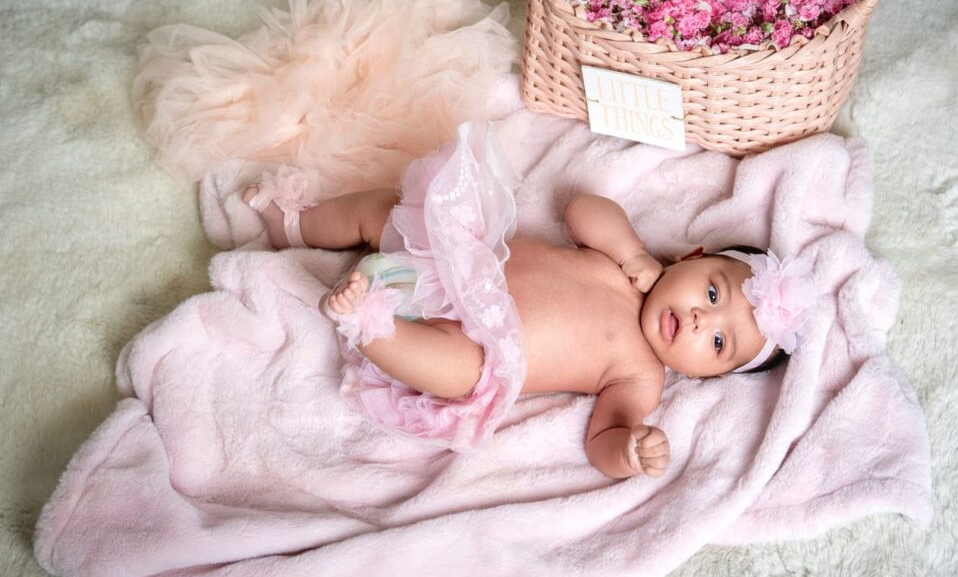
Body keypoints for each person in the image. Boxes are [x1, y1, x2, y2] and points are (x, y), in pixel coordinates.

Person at [242, 123, 815, 480]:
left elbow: (603, 438)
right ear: (692, 256)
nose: (698, 318)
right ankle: (297, 224)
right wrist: (634, 252)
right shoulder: (629, 266)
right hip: (452, 263)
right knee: (393, 210)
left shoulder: (641, 376)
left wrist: (630, 451)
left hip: (469, 339)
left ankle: (373, 326)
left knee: (459, 373)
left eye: (717, 342)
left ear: (706, 375)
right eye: (713, 293)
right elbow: (582, 210)